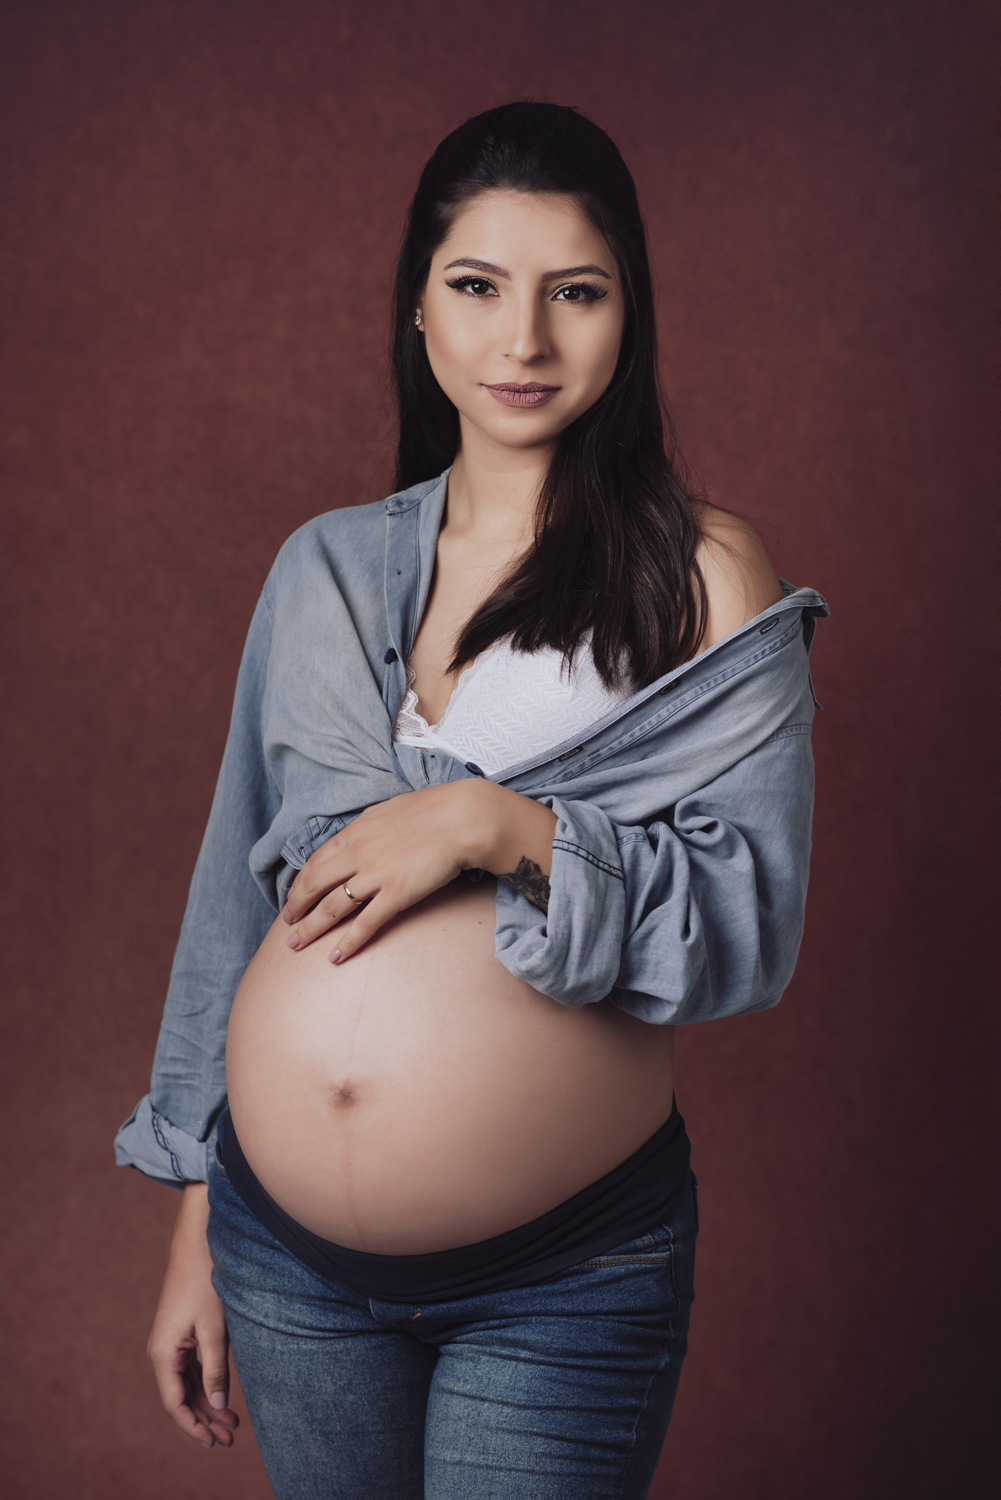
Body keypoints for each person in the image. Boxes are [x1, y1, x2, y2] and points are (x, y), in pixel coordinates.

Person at [116, 102, 827, 1499]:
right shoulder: (320, 571)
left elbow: (749, 918)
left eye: (577, 292)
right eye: (477, 287)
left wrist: (498, 825)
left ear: (629, 318)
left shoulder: (701, 578)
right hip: (284, 1265)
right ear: (418, 315)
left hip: (559, 1273)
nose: (525, 342)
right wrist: (195, 1222)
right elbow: (232, 905)